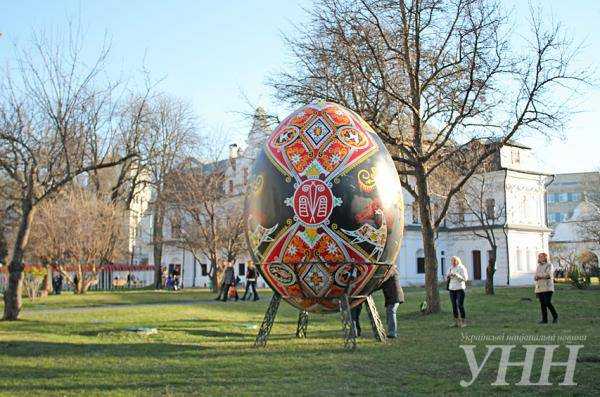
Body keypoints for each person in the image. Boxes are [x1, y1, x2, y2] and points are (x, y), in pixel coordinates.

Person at [351, 267, 405, 338]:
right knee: (391, 312)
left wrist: (371, 288)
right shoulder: (391, 272)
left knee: (391, 312)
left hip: (395, 297)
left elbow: (381, 282)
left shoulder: (391, 271)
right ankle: (392, 332)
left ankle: (392, 333)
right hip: (392, 297)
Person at [535, 252, 558, 324]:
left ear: (545, 257)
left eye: (541, 257)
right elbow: (536, 276)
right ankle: (544, 320)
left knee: (547, 302)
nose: (539, 258)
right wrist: (536, 277)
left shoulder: (549, 265)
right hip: (540, 287)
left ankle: (555, 316)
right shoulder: (538, 266)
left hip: (548, 287)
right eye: (539, 257)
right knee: (542, 304)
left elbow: (548, 274)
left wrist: (539, 276)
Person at [446, 256, 468, 328]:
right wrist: (449, 276)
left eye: (454, 261)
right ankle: (456, 322)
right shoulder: (450, 268)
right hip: (452, 289)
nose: (453, 262)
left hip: (460, 288)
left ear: (457, 261)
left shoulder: (462, 268)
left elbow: (465, 279)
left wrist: (457, 275)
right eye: (452, 261)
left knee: (460, 305)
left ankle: (463, 322)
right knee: (454, 306)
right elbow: (446, 277)